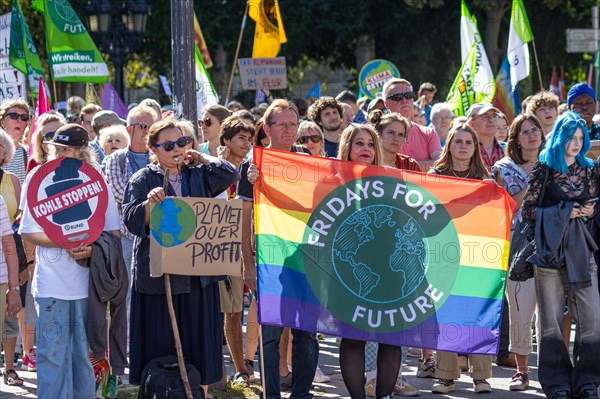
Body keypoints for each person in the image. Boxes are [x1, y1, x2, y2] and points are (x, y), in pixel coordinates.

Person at [122, 119, 239, 396]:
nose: (178, 149)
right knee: (161, 342)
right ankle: (163, 390)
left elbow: (231, 174)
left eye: (183, 142)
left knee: (200, 342)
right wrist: (150, 203)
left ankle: (199, 392)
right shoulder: (142, 178)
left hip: (199, 276)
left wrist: (203, 157)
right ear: (153, 148)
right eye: (169, 145)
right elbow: (131, 220)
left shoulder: (197, 173)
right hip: (160, 280)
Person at [20, 124, 121, 398]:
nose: (61, 154)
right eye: (57, 149)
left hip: (88, 287)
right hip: (51, 286)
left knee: (85, 358)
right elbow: (27, 231)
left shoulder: (96, 180)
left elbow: (112, 230)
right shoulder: (37, 179)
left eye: (67, 149)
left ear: (81, 152)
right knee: (51, 356)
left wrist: (91, 249)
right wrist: (62, 240)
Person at [239, 99, 318, 399]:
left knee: (306, 333)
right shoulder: (254, 165)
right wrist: (248, 263)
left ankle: (301, 393)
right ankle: (270, 394)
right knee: (270, 334)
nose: (289, 129)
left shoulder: (310, 161)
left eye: (293, 123)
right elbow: (245, 219)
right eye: (282, 124)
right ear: (267, 128)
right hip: (269, 258)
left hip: (306, 258)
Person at [521, 111, 600, 399]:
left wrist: (592, 210)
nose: (577, 143)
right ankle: (557, 384)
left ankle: (587, 382)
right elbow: (527, 211)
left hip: (583, 253)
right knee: (551, 323)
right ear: (560, 138)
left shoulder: (591, 169)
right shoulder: (543, 168)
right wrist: (565, 213)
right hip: (549, 254)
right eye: (571, 137)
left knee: (593, 319)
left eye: (581, 138)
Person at [335, 123, 402, 399]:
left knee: (391, 337)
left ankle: (384, 396)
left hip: (387, 268)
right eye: (358, 143)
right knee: (353, 337)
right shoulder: (332, 179)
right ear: (347, 148)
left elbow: (408, 219)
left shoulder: (393, 177)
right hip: (349, 269)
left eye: (370, 143)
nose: (365, 148)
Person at [427, 124, 493, 394]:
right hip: (443, 253)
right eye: (458, 141)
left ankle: (481, 376)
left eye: (469, 141)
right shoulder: (435, 175)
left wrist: (491, 191)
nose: (464, 146)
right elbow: (425, 212)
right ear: (449, 145)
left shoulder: (486, 178)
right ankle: (445, 375)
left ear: (475, 147)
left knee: (478, 314)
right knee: (447, 313)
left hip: (477, 254)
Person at [492, 114, 546, 391]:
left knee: (550, 312)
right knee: (520, 309)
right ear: (516, 139)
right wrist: (534, 180)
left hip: (551, 244)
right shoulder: (503, 169)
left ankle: (552, 369)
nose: (532, 135)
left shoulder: (556, 164)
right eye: (525, 131)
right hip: (516, 247)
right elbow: (507, 207)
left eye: (535, 130)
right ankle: (522, 371)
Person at [217, 116, 257, 384]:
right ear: (226, 141)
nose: (246, 143)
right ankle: (238, 368)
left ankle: (247, 365)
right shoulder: (212, 169)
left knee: (242, 309)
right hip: (217, 246)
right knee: (229, 311)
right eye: (241, 137)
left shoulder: (251, 169)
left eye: (249, 138)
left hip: (245, 245)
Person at [382, 78, 442, 171]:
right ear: (386, 104)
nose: (404, 100)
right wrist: (424, 165)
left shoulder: (429, 133)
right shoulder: (376, 133)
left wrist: (399, 167)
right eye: (397, 97)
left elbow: (440, 164)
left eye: (408, 95)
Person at [466, 103, 505, 171]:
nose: (491, 120)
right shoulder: (463, 149)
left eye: (494, 116)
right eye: (485, 117)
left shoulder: (508, 149)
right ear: (471, 124)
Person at [0, 99, 30, 184]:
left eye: (24, 117)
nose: (19, 121)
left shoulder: (29, 154)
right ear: (2, 121)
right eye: (14, 116)